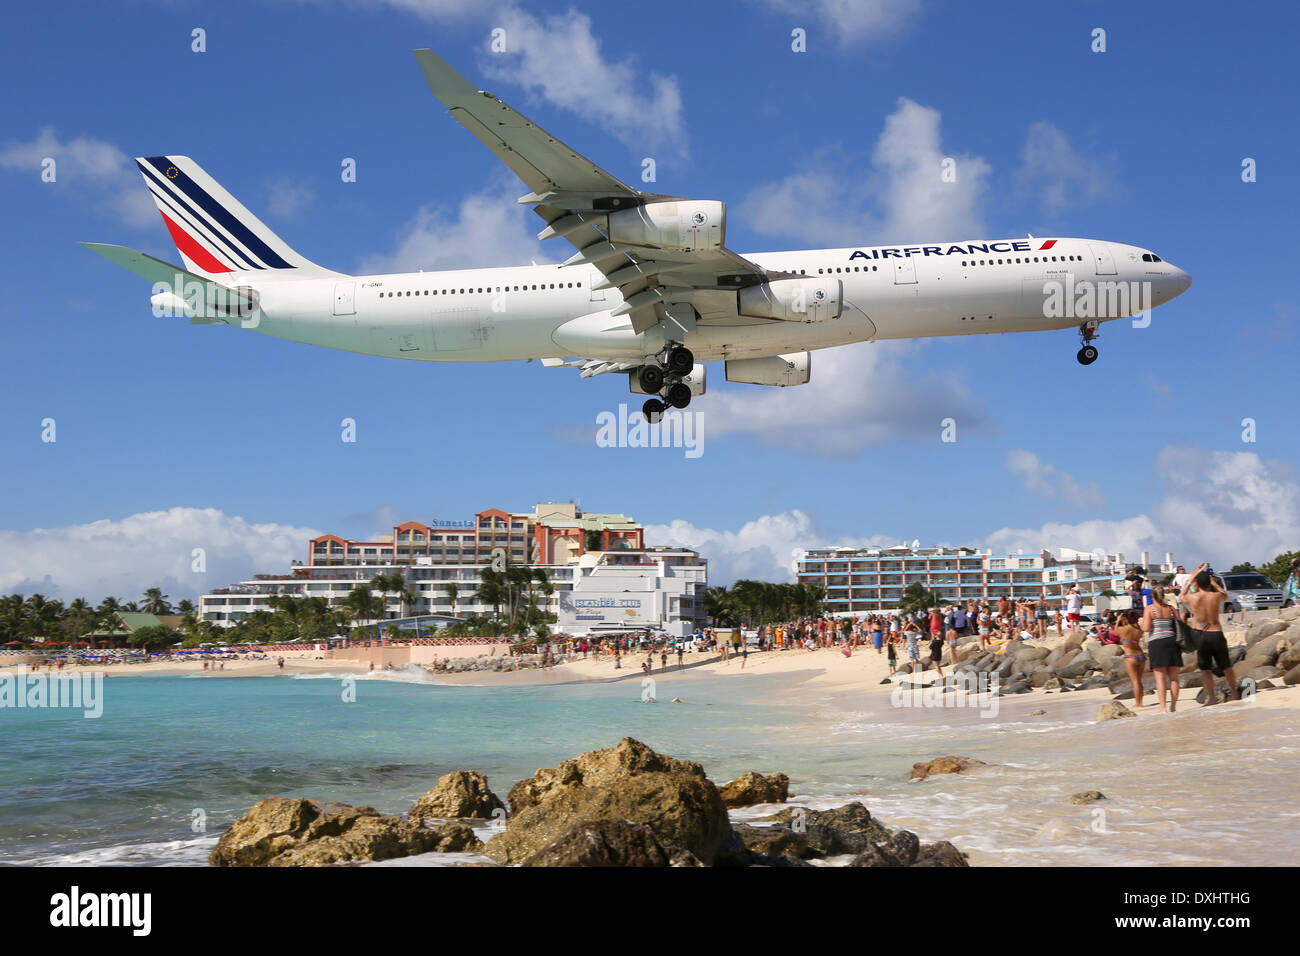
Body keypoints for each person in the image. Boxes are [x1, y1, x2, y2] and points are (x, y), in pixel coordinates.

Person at [1181, 565, 1240, 704]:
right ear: (1209, 583)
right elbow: (1225, 595)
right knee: (1226, 667)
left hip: (1202, 635)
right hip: (1217, 633)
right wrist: (1214, 583)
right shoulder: (1215, 596)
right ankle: (1235, 694)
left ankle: (1212, 698)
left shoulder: (1193, 597)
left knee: (1205, 670)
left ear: (1198, 584)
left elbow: (1181, 596)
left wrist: (1190, 580)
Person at [1140, 585, 1185, 712]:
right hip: (1172, 642)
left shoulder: (1150, 609)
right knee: (1174, 678)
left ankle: (1163, 707)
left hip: (1157, 643)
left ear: (1152, 596)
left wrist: (1140, 624)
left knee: (1160, 678)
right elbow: (1180, 623)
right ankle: (1173, 706)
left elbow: (1146, 628)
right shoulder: (1171, 608)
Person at [1116, 609, 1147, 708]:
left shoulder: (1124, 629)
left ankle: (1138, 704)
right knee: (1139, 680)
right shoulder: (1139, 629)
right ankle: (1140, 702)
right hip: (1141, 655)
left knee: (1135, 681)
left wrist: (1118, 620)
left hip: (1130, 656)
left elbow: (1116, 631)